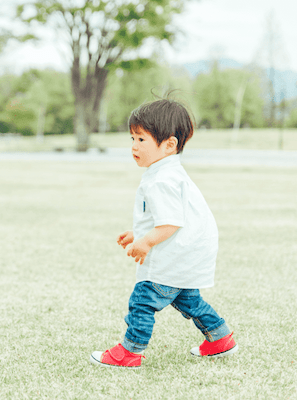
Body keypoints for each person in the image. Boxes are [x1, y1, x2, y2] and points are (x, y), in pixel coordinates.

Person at [90, 96, 238, 368]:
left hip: (175, 255)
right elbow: (164, 219)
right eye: (132, 138)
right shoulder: (169, 173)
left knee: (143, 300)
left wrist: (146, 242)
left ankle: (130, 352)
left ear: (169, 144)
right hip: (186, 253)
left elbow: (170, 223)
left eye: (142, 140)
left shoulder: (161, 180)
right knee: (188, 299)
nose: (134, 147)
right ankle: (220, 339)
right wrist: (138, 234)